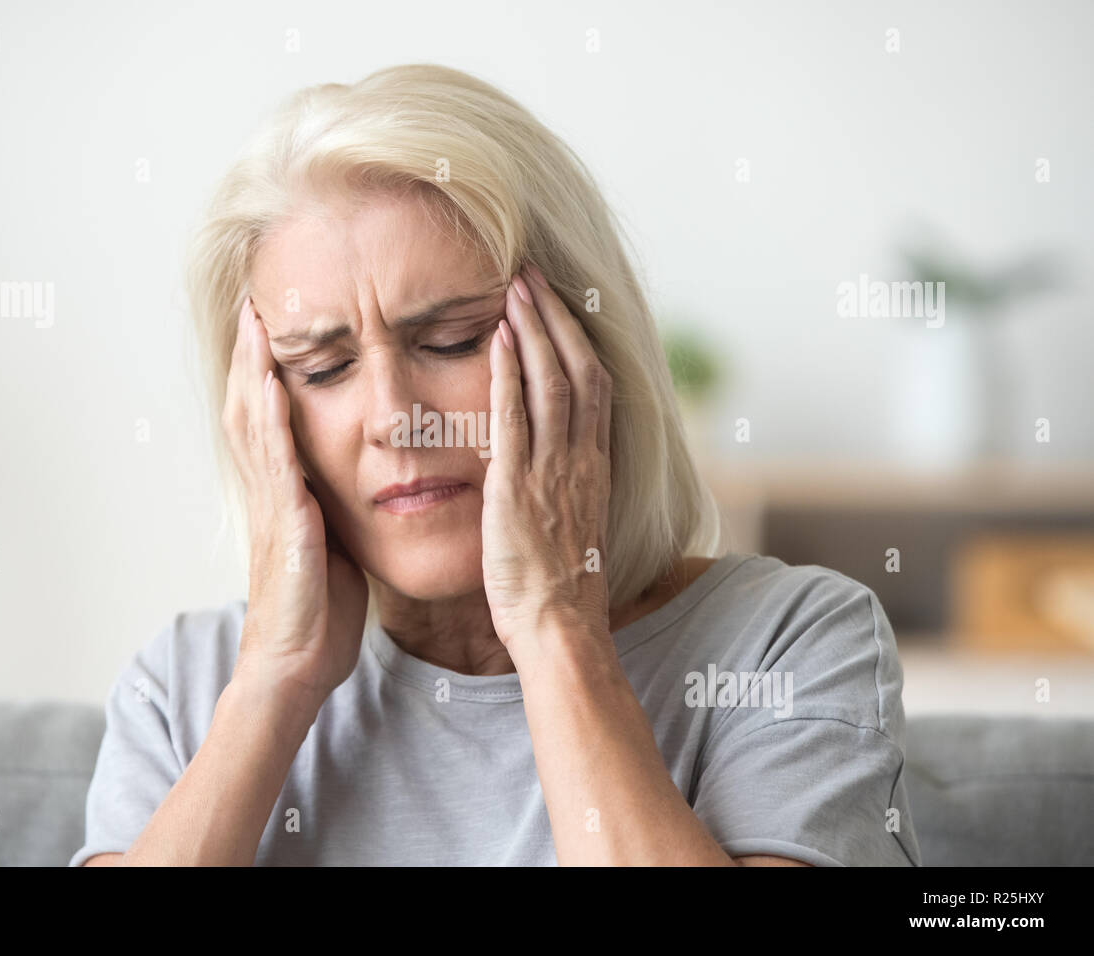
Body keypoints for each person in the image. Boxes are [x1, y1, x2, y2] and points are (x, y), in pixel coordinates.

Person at [70, 63, 921, 867]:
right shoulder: (185, 685)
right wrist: (272, 683)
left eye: (452, 340)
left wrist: (556, 623)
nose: (396, 420)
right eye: (322, 369)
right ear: (262, 409)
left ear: (584, 347)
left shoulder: (787, 643)